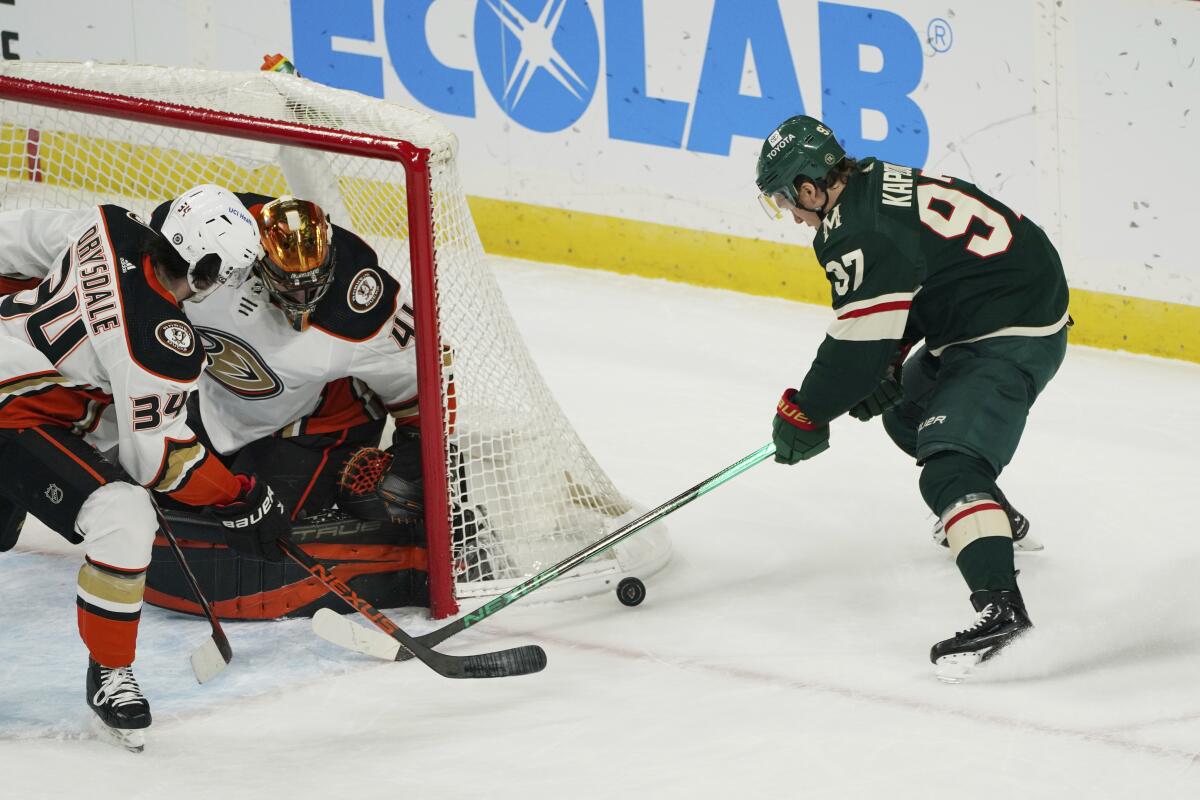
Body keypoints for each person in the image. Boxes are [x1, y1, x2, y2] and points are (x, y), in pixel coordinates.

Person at [755, 116, 1069, 682]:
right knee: (906, 417)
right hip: (994, 301)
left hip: (1011, 329)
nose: (792, 214)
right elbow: (926, 272)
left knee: (945, 468)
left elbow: (853, 351)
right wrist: (895, 356)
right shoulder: (872, 178)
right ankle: (993, 519)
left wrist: (807, 410)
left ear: (810, 186)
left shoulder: (856, 231)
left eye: (787, 199)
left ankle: (1004, 613)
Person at [0, 185, 293, 750]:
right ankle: (111, 672)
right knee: (125, 512)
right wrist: (238, 496)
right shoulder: (163, 344)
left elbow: (13, 241)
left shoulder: (107, 226)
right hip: (16, 419)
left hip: (19, 390)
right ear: (206, 273)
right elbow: (155, 460)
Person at [141, 192, 431, 618]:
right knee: (154, 500)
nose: (305, 300)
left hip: (319, 424)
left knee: (259, 536)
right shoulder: (217, 247)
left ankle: (406, 556)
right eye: (291, 288)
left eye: (315, 285)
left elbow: (426, 380)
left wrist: (416, 461)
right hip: (219, 403)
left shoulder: (360, 307)